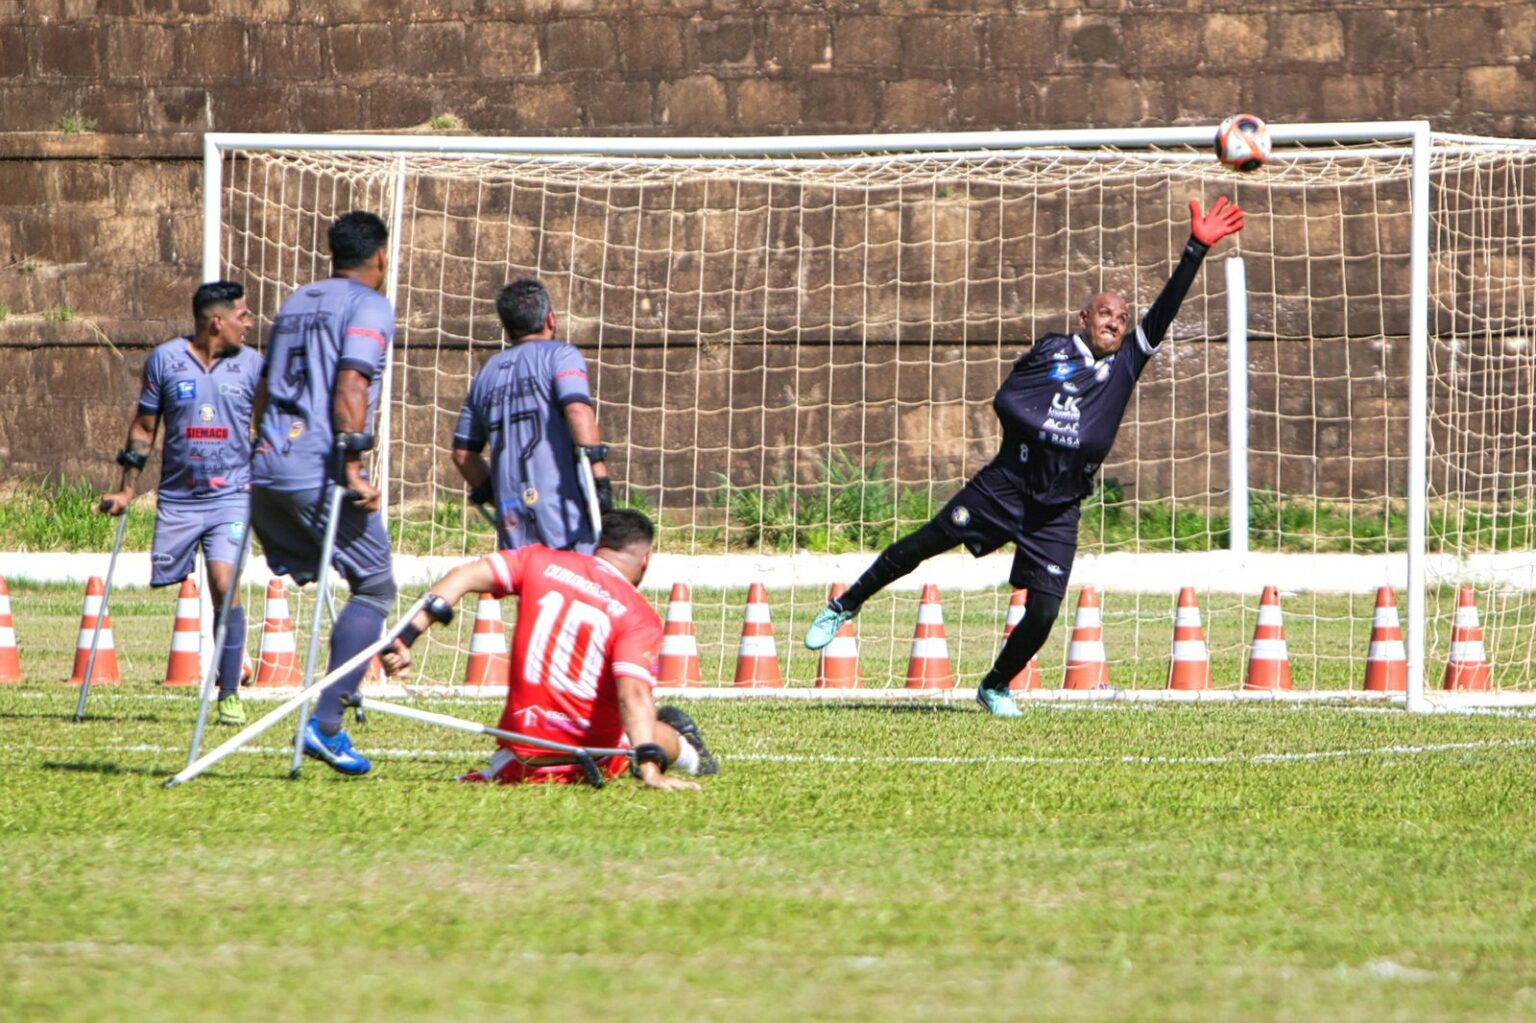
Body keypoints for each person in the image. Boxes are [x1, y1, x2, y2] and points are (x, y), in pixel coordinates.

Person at [804, 197, 1247, 717]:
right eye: (1105, 313)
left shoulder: (1127, 363)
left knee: (1043, 611)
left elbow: (1166, 308)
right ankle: (844, 605)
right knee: (922, 544)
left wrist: (1196, 248)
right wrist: (1049, 426)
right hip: (1004, 486)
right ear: (1084, 318)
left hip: (1058, 508)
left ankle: (994, 685)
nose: (1115, 323)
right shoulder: (1051, 351)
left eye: (1122, 318)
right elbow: (1009, 399)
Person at [382, 509, 716, 790]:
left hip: (525, 757)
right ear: (646, 560)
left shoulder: (539, 560)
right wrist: (650, 771)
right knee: (642, 731)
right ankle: (690, 754)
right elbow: (634, 694)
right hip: (596, 753)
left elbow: (462, 576)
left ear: (599, 545)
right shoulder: (640, 615)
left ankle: (677, 746)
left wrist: (406, 636)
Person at [248, 210, 399, 775]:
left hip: (267, 470)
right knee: (377, 586)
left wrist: (254, 447)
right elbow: (352, 383)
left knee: (332, 573)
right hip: (318, 469)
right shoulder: (370, 306)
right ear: (380, 256)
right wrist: (354, 466)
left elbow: (264, 385)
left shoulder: (296, 299)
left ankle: (348, 674)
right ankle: (327, 723)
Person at [100, 281, 262, 726]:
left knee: (223, 582)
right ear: (217, 321)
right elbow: (145, 425)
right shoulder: (166, 361)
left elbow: (269, 428)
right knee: (173, 581)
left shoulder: (253, 366)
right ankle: (232, 666)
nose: (248, 323)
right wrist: (127, 487)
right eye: (242, 315)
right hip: (180, 498)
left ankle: (229, 692)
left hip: (233, 495)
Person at [452, 278, 613, 554]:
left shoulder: (485, 374)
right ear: (550, 319)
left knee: (530, 590)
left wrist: (493, 494)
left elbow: (463, 454)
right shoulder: (562, 356)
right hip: (563, 507)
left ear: (507, 328)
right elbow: (577, 409)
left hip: (512, 510)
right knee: (577, 586)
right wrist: (599, 478)